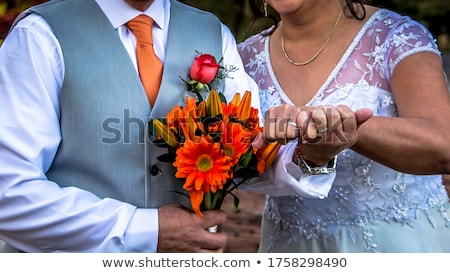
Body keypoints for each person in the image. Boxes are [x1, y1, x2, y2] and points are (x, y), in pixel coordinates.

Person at [0, 0, 261, 253]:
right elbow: (9, 194)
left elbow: (249, 154)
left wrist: (299, 156)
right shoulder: (38, 35)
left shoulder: (213, 33)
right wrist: (147, 231)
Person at [238, 0, 450, 252]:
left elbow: (442, 144)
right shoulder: (243, 59)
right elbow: (235, 163)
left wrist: (344, 128)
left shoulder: (397, 36)